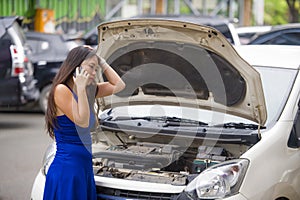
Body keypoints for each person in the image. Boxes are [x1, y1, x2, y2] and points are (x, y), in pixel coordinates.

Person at [43, 45, 125, 200]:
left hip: (83, 167)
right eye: (91, 67)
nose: (94, 73)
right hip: (68, 170)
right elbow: (82, 122)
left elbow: (119, 85)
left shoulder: (88, 90)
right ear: (76, 66)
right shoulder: (61, 90)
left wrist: (101, 61)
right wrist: (80, 89)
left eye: (96, 68)